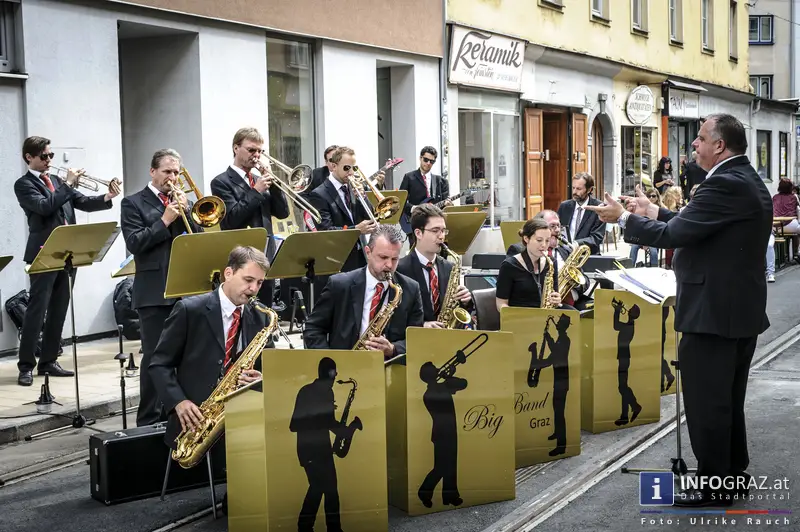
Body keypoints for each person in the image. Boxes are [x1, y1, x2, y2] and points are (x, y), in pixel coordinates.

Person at [586, 113, 772, 507]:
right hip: (734, 310)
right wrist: (651, 213)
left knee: (707, 403)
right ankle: (731, 476)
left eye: (700, 138)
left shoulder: (722, 183)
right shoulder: (742, 179)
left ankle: (711, 484)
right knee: (726, 401)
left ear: (719, 145)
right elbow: (696, 226)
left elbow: (678, 235)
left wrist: (625, 218)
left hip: (713, 313)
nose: (694, 145)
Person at [14, 136, 119, 386]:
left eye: (50, 155)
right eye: (44, 156)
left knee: (59, 309)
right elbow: (44, 207)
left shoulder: (59, 181)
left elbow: (83, 202)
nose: (49, 160)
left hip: (68, 252)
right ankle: (26, 365)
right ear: (29, 157)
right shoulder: (24, 184)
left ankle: (48, 361)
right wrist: (67, 185)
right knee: (36, 312)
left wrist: (107, 196)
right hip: (43, 252)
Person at [149, 246, 270, 451]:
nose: (254, 289)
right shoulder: (190, 310)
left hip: (242, 416)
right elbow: (159, 364)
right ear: (228, 273)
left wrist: (261, 377)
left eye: (259, 283)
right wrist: (179, 402)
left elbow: (267, 363)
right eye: (248, 280)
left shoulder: (260, 316)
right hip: (194, 418)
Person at [121, 148, 203, 426]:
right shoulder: (132, 203)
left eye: (176, 172)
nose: (173, 177)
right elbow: (135, 243)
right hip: (154, 292)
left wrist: (189, 214)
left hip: (185, 288)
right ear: (152, 171)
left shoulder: (182, 201)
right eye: (167, 171)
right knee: (155, 358)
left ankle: (177, 415)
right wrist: (165, 220)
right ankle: (147, 419)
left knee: (185, 356)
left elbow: (198, 239)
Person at [303, 224, 424, 361]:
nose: (389, 265)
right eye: (383, 257)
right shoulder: (339, 284)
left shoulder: (411, 289)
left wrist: (393, 349)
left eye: (394, 259)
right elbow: (313, 329)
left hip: (388, 370)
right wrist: (330, 362)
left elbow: (417, 340)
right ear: (368, 252)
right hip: (343, 368)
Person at [210, 127, 290, 308]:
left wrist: (275, 185)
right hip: (241, 254)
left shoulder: (260, 178)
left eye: (260, 151)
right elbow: (231, 219)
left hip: (265, 253)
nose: (256, 155)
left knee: (265, 311)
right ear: (236, 148)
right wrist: (256, 191)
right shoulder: (221, 182)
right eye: (251, 150)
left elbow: (282, 213)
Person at [290, 357, 360, 532]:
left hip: (317, 450)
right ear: (330, 373)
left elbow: (325, 421)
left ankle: (317, 527)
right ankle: (311, 527)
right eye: (335, 373)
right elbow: (294, 425)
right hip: (314, 450)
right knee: (322, 488)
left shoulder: (311, 390)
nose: (336, 376)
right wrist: (346, 430)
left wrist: (328, 417)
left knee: (325, 489)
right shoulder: (319, 392)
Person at [396, 204, 472, 328]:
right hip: (415, 341)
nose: (441, 236)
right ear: (418, 233)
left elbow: (455, 309)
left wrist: (465, 301)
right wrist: (422, 325)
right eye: (435, 231)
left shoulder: (450, 267)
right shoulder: (400, 269)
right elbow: (396, 317)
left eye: (443, 230)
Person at [307, 146, 377, 273]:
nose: (351, 173)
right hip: (337, 259)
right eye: (346, 168)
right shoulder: (319, 194)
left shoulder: (353, 187)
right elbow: (326, 231)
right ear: (334, 166)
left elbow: (371, 218)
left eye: (354, 168)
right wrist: (355, 230)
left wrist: (363, 197)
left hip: (360, 256)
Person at [417, 358, 467, 508]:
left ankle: (450, 496)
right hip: (442, 433)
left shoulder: (441, 386)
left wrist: (448, 375)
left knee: (450, 464)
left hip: (448, 430)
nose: (439, 369)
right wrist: (448, 376)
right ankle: (424, 492)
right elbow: (460, 384)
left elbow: (463, 383)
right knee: (441, 467)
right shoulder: (432, 392)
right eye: (435, 369)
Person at [527, 313, 572, 456]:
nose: (557, 324)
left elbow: (553, 356)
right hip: (559, 380)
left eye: (559, 323)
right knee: (556, 410)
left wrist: (535, 358)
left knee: (559, 413)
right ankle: (557, 434)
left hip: (562, 381)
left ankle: (561, 445)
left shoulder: (564, 339)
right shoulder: (561, 339)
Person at [496, 218, 561, 311]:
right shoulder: (509, 265)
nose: (544, 245)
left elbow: (555, 293)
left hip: (545, 318)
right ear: (526, 239)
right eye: (539, 240)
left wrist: (556, 299)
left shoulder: (551, 262)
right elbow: (501, 303)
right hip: (519, 319)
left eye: (547, 240)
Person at [399, 146, 451, 244]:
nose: (428, 163)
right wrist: (413, 208)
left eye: (431, 161)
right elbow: (400, 201)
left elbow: (443, 205)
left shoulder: (441, 181)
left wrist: (446, 204)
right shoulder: (409, 177)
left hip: (434, 224)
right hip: (415, 222)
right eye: (426, 160)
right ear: (420, 158)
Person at [556, 172, 605, 254]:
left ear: (589, 189)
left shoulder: (598, 207)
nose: (574, 192)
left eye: (579, 189)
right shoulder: (564, 206)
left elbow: (596, 238)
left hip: (587, 256)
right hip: (565, 254)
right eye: (573, 188)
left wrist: (575, 244)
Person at [612, 299, 642, 426]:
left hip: (624, 358)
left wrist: (617, 310)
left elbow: (616, 326)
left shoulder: (629, 326)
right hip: (623, 357)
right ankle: (624, 416)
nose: (628, 311)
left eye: (630, 311)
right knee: (623, 386)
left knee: (622, 387)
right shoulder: (629, 324)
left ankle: (635, 406)